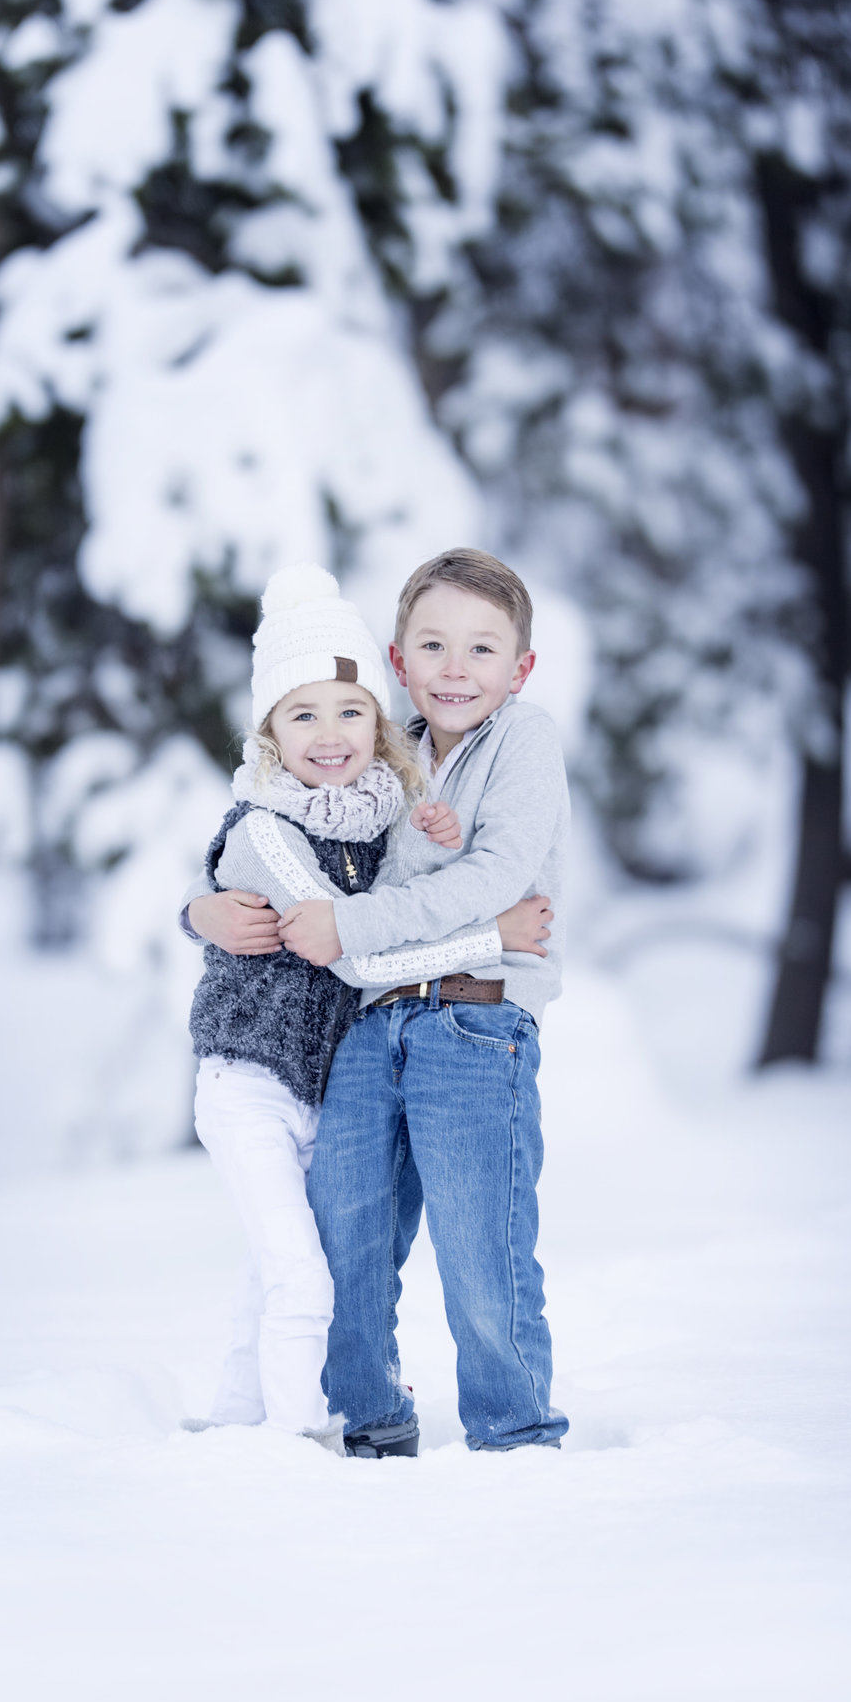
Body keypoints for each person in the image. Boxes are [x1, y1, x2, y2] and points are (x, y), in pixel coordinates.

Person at [191, 548, 568, 1459]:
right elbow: (286, 850)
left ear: (519, 668)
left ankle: (516, 1441)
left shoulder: (524, 739)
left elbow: (488, 876)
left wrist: (356, 926)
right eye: (433, 645)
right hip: (365, 1028)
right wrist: (202, 905)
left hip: (475, 1024)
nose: (455, 668)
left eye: (482, 650)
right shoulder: (379, 755)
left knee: (482, 1253)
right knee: (346, 1244)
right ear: (398, 659)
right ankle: (368, 1428)